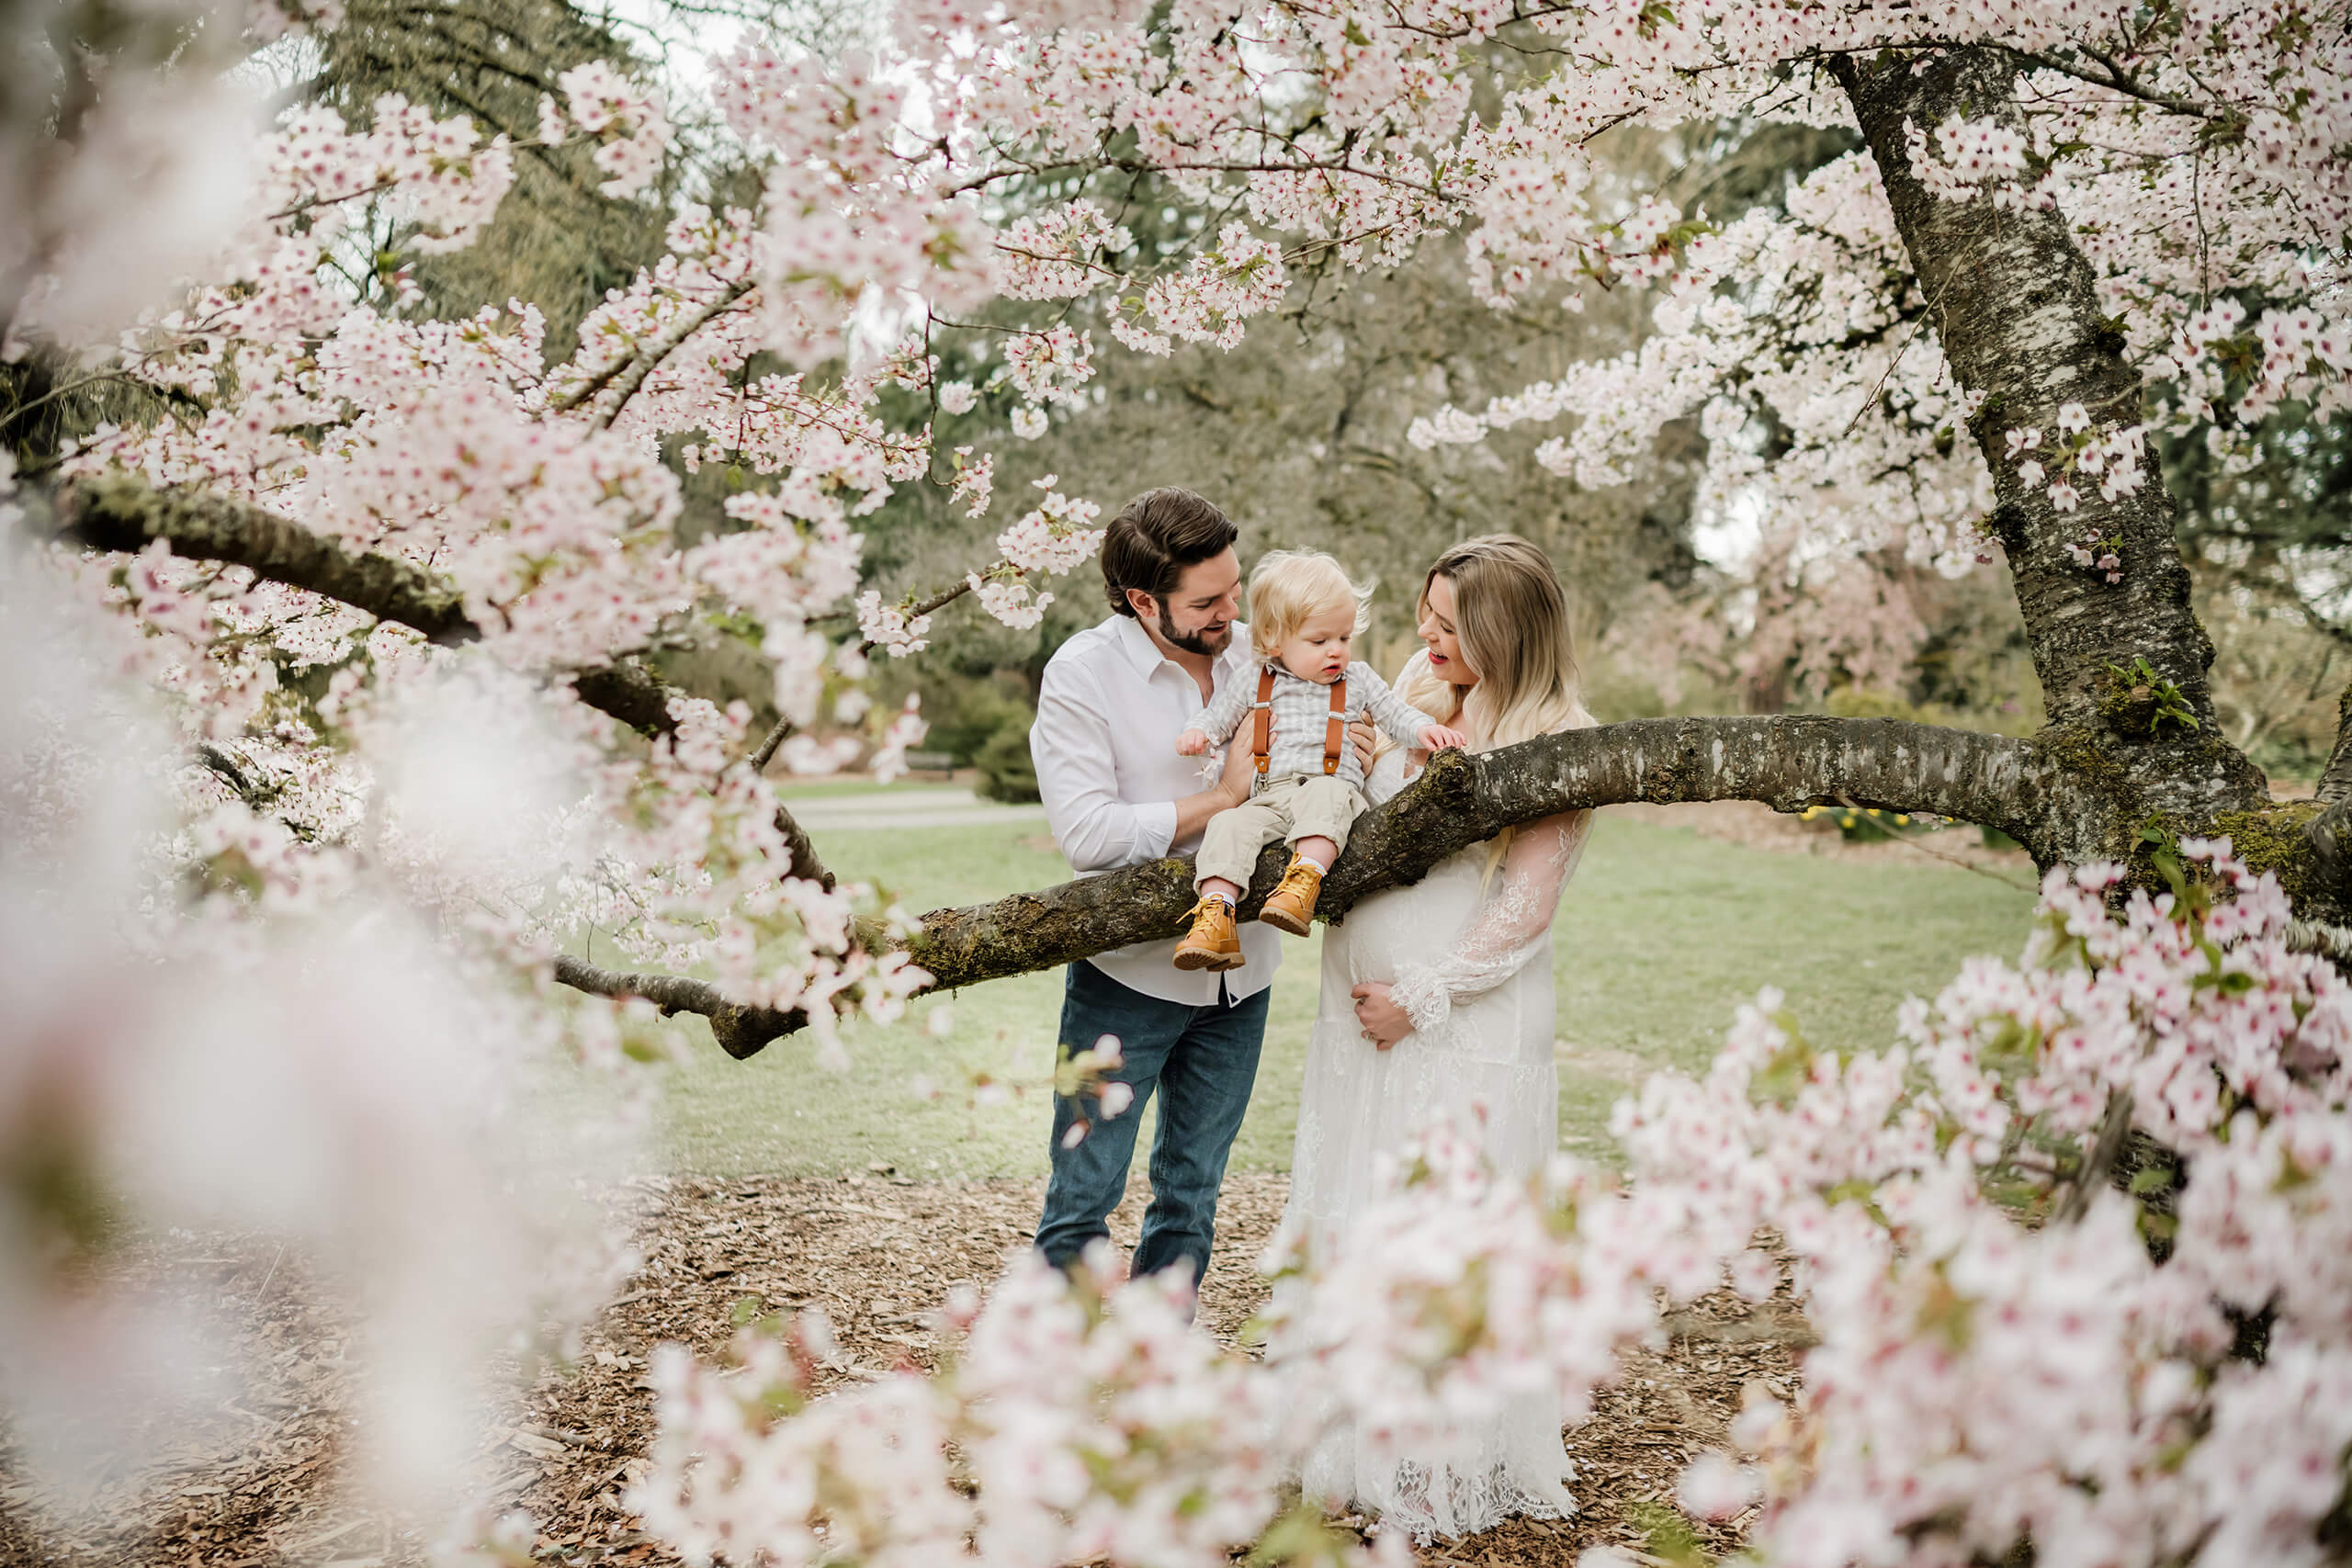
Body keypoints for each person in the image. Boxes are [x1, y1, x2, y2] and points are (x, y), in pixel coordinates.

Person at [1272, 534, 1597, 1541]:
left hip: (1463, 1025)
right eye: (1424, 612)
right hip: (1357, 1022)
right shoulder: (1417, 683)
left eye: (1448, 623)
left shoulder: (1559, 736)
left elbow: (1527, 906)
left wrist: (1418, 996)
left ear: (1501, 633)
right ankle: (1343, 1443)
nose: (1423, 635)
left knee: (1441, 1242)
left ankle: (1431, 1468)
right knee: (1358, 1221)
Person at [1026, 489, 1371, 1292]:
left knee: (1190, 1195)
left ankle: (1158, 1380)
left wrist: (1356, 748)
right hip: (1122, 981)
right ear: (1143, 600)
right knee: (1083, 1195)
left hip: (1243, 978)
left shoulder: (1276, 649)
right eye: (1207, 601)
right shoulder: (1082, 674)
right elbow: (1087, 835)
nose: (1232, 612)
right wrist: (1221, 798)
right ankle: (1048, 1385)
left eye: (1235, 588)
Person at [1171, 550, 1465, 970]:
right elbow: (1218, 717)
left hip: (1331, 789)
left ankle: (1302, 883)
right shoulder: (1255, 679)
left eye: (1343, 639)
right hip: (1271, 797)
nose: (1336, 652)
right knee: (1228, 824)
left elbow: (1395, 714)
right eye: (1319, 641)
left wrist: (1424, 730)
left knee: (1328, 794)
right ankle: (1216, 913)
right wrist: (1197, 732)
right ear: (1275, 639)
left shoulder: (1358, 679)